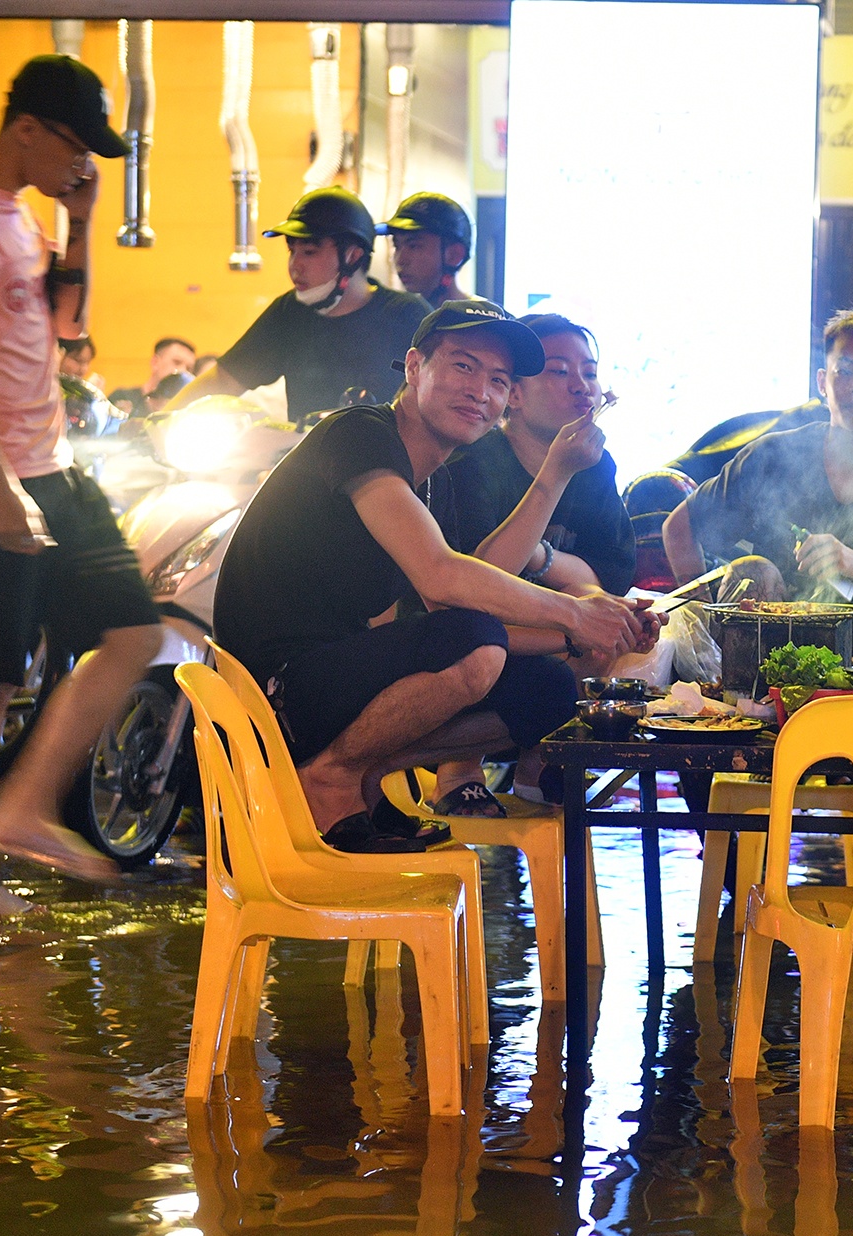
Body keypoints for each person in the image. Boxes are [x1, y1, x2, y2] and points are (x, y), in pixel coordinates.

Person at [212, 299, 652, 853]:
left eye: (498, 380)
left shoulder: (435, 482)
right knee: (474, 641)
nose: (480, 391)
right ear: (415, 366)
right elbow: (441, 577)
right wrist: (574, 613)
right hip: (271, 687)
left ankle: (361, 771)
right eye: (463, 366)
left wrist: (585, 637)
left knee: (547, 690)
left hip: (329, 677)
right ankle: (329, 779)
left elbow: (455, 612)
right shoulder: (360, 433)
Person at [0, 55, 164, 917]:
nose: (83, 162)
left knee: (135, 630)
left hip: (52, 467)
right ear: (28, 129)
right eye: (76, 146)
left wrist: (81, 223)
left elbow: (67, 326)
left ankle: (22, 806)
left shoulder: (21, 216)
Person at [662, 309, 853, 655]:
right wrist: (699, 629)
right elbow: (679, 527)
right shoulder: (773, 456)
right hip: (773, 641)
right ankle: (750, 689)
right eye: (845, 371)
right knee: (752, 571)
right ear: (822, 383)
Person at [166, 187, 429, 423]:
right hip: (308, 459)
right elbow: (224, 380)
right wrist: (159, 421)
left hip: (389, 460)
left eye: (309, 252)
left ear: (352, 255)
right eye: (292, 251)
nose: (295, 265)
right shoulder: (289, 312)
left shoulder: (407, 316)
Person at [440, 314, 634, 597]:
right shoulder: (471, 463)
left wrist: (535, 553)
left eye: (590, 373)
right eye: (559, 371)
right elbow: (478, 585)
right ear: (513, 394)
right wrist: (557, 472)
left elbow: (612, 578)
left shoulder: (595, 463)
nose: (582, 386)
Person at [382, 192, 475, 307]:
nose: (400, 260)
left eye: (414, 246)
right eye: (396, 246)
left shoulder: (481, 317)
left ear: (454, 255)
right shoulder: (393, 315)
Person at [107, 335, 193, 417]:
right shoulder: (122, 397)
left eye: (188, 368)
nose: (183, 371)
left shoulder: (185, 412)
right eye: (177, 362)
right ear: (155, 362)